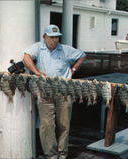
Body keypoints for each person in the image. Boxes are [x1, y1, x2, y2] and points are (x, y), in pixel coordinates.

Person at [23, 24, 86, 159]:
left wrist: (73, 70)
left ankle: (62, 154)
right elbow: (26, 58)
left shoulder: (65, 49)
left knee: (64, 124)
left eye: (57, 37)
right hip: (44, 91)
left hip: (64, 91)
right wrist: (37, 72)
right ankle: (51, 155)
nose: (55, 40)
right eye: (52, 37)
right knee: (46, 125)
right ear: (44, 37)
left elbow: (82, 55)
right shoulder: (38, 47)